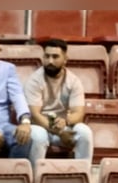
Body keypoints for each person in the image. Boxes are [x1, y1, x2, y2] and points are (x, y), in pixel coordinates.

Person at [24, 38, 94, 166]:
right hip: (42, 126)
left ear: (65, 59)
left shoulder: (73, 81)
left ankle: (83, 174)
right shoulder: (34, 80)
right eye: (47, 56)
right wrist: (60, 133)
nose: (50, 61)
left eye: (55, 57)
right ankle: (35, 177)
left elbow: (78, 113)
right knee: (38, 136)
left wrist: (66, 122)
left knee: (84, 132)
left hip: (63, 126)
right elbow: (35, 115)